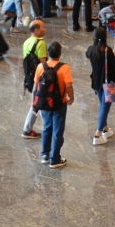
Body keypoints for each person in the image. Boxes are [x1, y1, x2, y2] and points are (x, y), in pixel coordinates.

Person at [35, 41, 74, 169]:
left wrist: (34, 102)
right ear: (60, 54)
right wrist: (71, 97)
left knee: (47, 127)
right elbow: (68, 85)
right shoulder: (64, 68)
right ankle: (55, 159)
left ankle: (45, 155)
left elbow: (37, 86)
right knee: (57, 131)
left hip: (44, 103)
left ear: (48, 53)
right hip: (59, 104)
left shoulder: (41, 66)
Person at [88, 27, 115, 146]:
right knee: (104, 108)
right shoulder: (107, 51)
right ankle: (97, 135)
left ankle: (105, 129)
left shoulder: (91, 50)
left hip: (96, 82)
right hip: (108, 83)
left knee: (102, 105)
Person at [20, 20, 47, 139]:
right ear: (37, 30)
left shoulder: (26, 42)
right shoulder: (40, 43)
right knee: (38, 103)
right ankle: (27, 129)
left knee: (38, 102)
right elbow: (43, 64)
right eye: (43, 27)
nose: (45, 29)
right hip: (41, 79)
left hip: (31, 77)